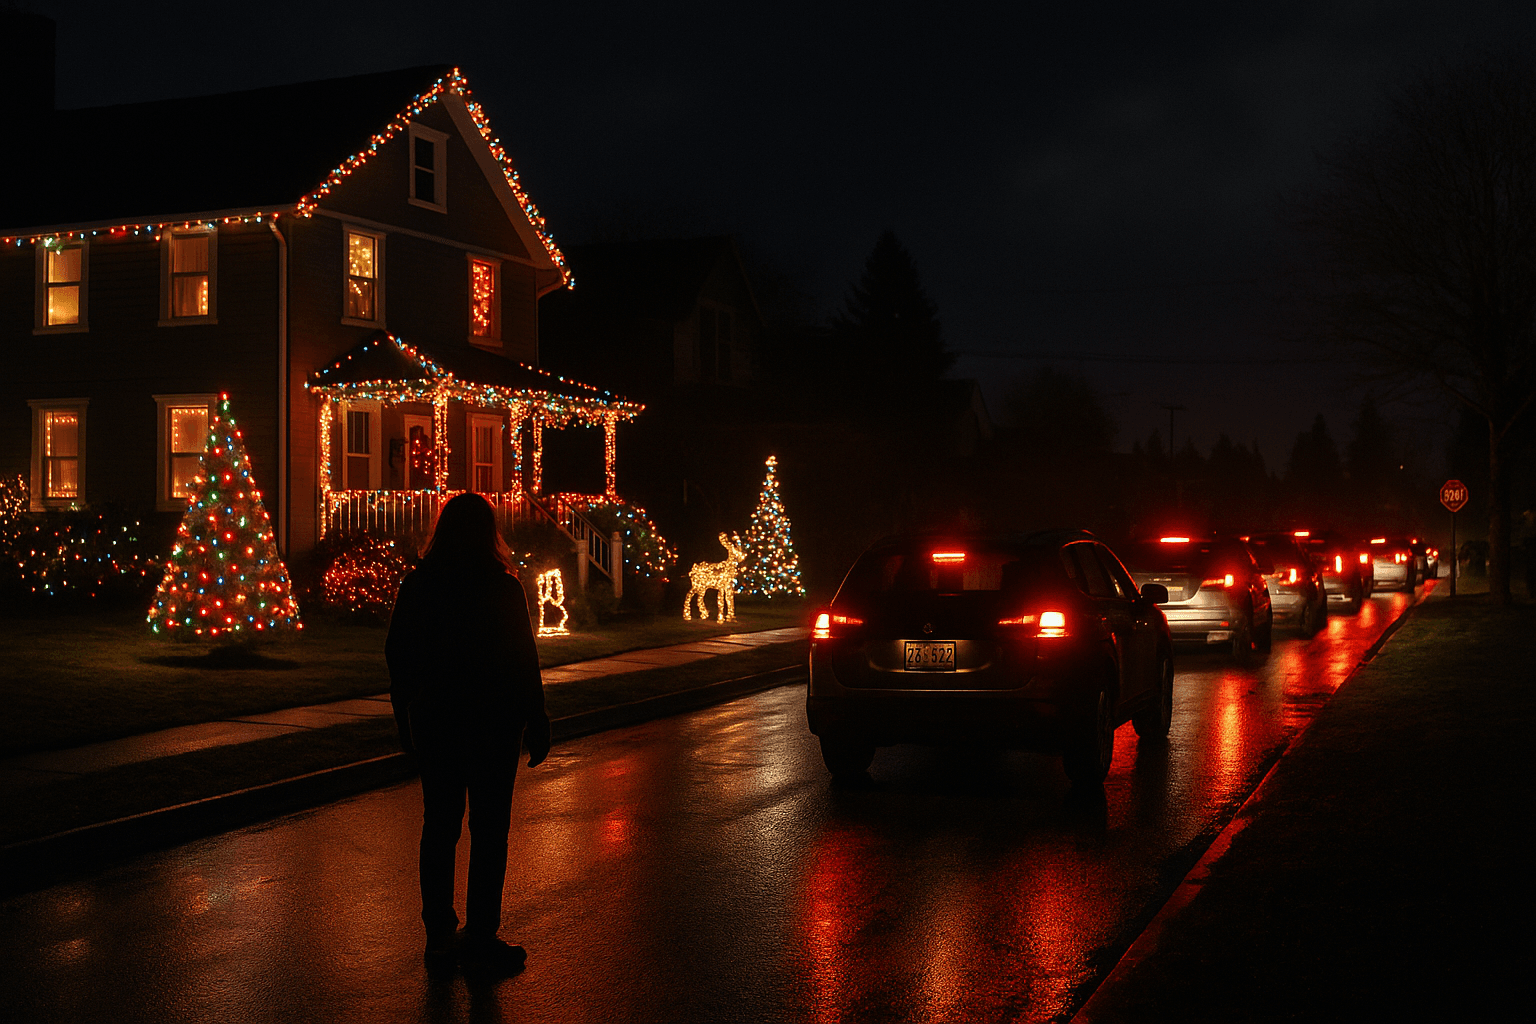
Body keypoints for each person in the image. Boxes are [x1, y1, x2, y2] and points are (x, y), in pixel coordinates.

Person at [385, 493, 552, 976]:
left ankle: (438, 934)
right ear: (488, 533)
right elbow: (524, 658)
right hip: (494, 723)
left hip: (438, 720)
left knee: (440, 825)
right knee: (489, 828)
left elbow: (399, 654)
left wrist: (405, 714)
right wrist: (535, 717)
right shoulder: (502, 589)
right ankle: (481, 934)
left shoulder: (419, 586)